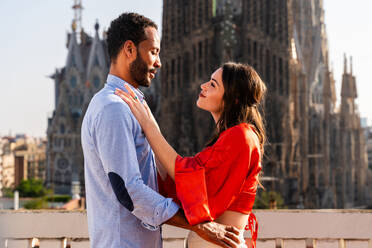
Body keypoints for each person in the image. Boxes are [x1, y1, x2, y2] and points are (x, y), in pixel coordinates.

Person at [81, 12, 243, 248]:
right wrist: (199, 224)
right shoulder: (112, 108)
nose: (159, 62)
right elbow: (129, 191)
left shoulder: (129, 105)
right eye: (154, 52)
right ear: (129, 50)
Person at [115, 62, 267, 248]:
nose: (203, 86)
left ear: (233, 98)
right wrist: (147, 132)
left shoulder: (242, 136)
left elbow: (192, 181)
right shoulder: (231, 137)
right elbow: (183, 181)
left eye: (213, 84)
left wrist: (150, 128)